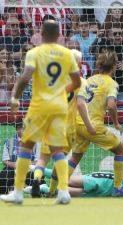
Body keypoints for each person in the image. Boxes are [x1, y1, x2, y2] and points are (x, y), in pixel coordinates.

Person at [0, 20, 81, 205]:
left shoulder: (34, 52)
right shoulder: (68, 54)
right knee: (58, 150)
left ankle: (18, 192)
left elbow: (25, 77)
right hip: (60, 106)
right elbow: (76, 82)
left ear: (42, 32)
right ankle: (62, 192)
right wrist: (61, 91)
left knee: (26, 146)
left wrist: (14, 98)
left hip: (40, 105)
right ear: (59, 34)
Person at [67, 50, 123, 197]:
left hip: (78, 122)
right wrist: (116, 123)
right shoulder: (112, 84)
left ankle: (59, 185)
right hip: (93, 125)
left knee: (76, 156)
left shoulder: (89, 80)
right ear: (114, 66)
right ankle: (118, 188)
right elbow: (111, 105)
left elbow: (79, 100)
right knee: (121, 149)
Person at [30, 49, 94, 198]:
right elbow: (81, 104)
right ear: (79, 64)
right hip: (68, 128)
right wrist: (89, 125)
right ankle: (52, 192)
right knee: (60, 161)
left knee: (43, 159)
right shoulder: (81, 82)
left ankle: (36, 179)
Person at [36, 158, 123, 197]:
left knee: (75, 192)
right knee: (68, 179)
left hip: (108, 193)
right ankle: (38, 169)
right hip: (108, 180)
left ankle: (47, 189)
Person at [0, 120, 41, 194]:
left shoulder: (36, 142)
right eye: (22, 128)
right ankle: (3, 197)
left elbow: (37, 161)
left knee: (38, 177)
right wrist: (16, 165)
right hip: (13, 168)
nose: (25, 130)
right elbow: (5, 160)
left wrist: (24, 165)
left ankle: (38, 197)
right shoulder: (9, 141)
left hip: (30, 168)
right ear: (17, 129)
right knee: (3, 176)